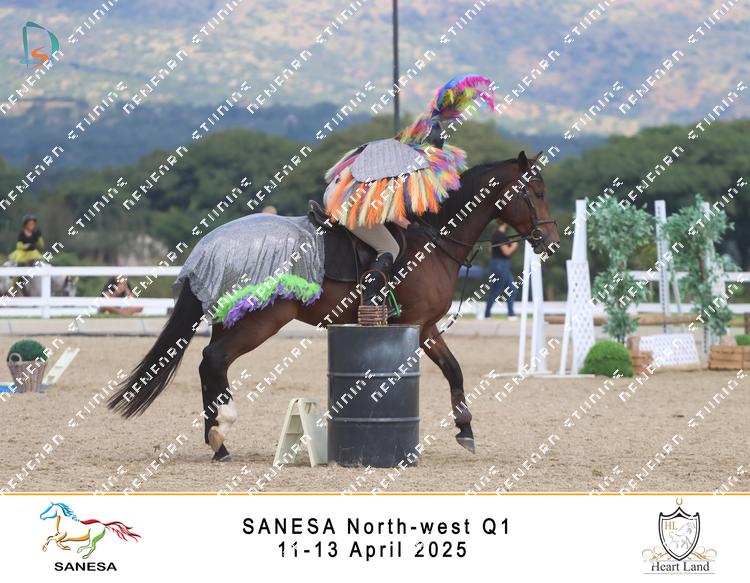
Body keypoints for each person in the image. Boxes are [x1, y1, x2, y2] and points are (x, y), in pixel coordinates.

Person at [322, 75, 496, 308]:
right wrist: (409, 226)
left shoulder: (395, 152)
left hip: (340, 194)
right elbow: (385, 206)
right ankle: (370, 301)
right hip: (346, 203)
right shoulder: (403, 164)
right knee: (389, 247)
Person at [484, 219, 519, 319]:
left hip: (496, 263)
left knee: (511, 288)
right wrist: (514, 246)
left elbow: (490, 251)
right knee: (496, 290)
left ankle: (511, 314)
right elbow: (506, 252)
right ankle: (486, 314)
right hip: (501, 264)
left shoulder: (495, 234)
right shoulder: (500, 235)